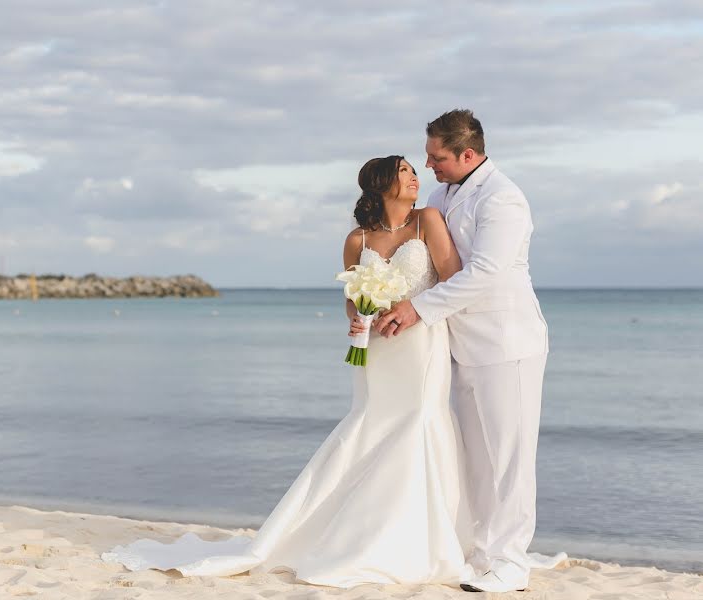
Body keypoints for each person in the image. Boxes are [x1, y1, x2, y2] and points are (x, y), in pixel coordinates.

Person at [101, 155, 476, 587]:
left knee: (419, 423)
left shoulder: (427, 220)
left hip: (420, 343)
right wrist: (358, 317)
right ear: (380, 183)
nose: (415, 177)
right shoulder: (357, 239)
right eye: (405, 171)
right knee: (372, 425)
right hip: (376, 350)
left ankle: (416, 538)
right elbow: (352, 298)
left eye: (415, 170)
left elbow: (452, 279)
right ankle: (356, 533)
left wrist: (415, 310)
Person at [375, 109, 554, 593]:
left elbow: (485, 273)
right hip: (457, 345)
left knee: (510, 458)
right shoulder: (438, 195)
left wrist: (416, 310)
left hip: (506, 342)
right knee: (475, 457)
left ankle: (512, 562)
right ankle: (481, 552)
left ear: (468, 154)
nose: (429, 165)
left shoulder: (504, 199)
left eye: (437, 158)